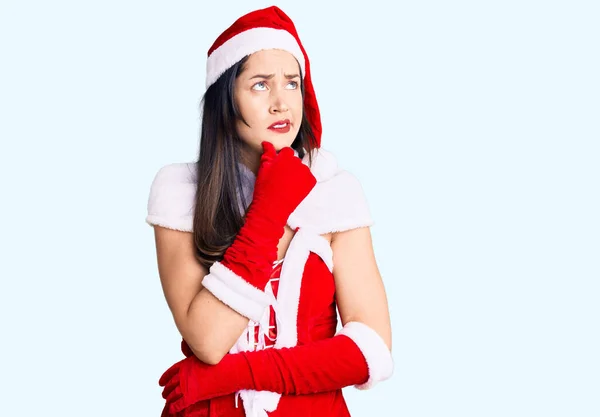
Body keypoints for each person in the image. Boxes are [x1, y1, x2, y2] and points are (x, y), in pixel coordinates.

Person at [145, 6, 394, 417]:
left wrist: (229, 375)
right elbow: (208, 338)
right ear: (226, 99)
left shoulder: (336, 192)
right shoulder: (180, 195)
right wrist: (272, 206)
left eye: (292, 83)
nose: (281, 103)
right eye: (260, 85)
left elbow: (370, 352)